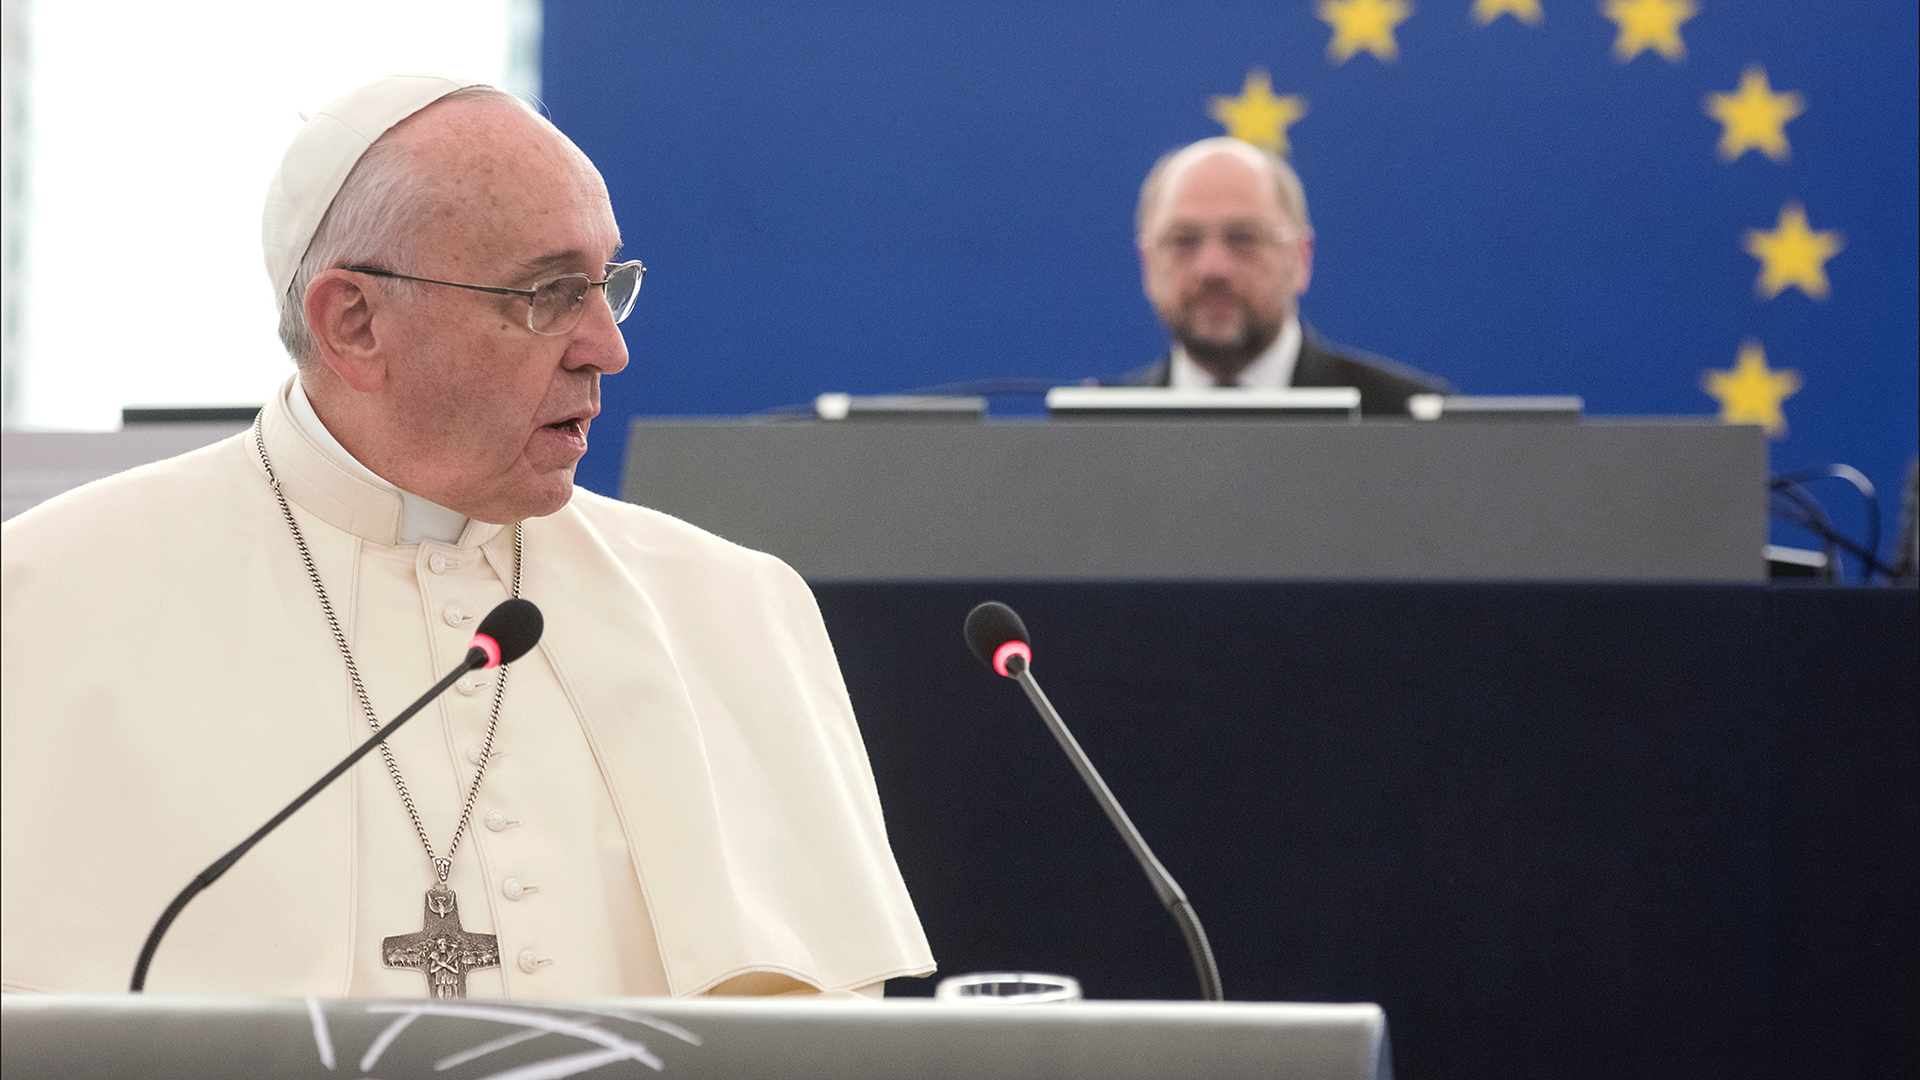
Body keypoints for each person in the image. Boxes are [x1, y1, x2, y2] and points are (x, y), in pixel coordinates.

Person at [0, 75, 933, 999]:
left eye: (609, 284)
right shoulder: (44, 604)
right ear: (355, 324)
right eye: (549, 293)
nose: (608, 347)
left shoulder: (734, 608)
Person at [1115, 136, 1451, 414]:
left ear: (1300, 258)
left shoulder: (1407, 420)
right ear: (1147, 264)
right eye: (1183, 241)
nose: (1213, 268)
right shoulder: (1098, 438)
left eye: (1243, 238)